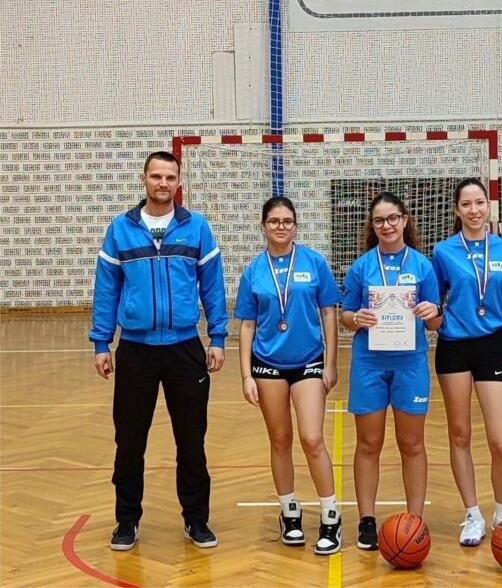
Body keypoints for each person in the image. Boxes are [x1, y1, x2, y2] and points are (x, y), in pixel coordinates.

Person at [89, 151, 228, 551]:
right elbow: (106, 289)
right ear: (144, 179)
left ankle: (196, 520)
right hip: (136, 350)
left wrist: (218, 337)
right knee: (130, 442)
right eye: (156, 176)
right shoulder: (121, 229)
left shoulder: (196, 227)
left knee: (192, 441)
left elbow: (213, 286)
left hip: (185, 349)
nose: (163, 183)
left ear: (178, 182)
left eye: (170, 177)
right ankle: (127, 521)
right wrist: (102, 343)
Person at [235, 197, 342, 556]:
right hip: (267, 364)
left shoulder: (314, 262)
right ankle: (290, 512)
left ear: (296, 226)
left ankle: (330, 515)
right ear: (263, 226)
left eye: (287, 221)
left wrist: (330, 362)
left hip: (309, 361)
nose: (281, 227)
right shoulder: (253, 270)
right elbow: (247, 325)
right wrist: (246, 374)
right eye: (274, 221)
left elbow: (329, 313)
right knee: (279, 439)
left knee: (312, 438)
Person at [340, 192, 441, 550]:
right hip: (369, 362)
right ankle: (367, 520)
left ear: (404, 220)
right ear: (372, 225)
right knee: (369, 443)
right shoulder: (362, 267)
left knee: (411, 443)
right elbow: (345, 315)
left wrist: (432, 312)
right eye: (379, 220)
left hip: (410, 363)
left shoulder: (423, 266)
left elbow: (436, 321)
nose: (387, 225)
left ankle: (415, 520)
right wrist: (357, 318)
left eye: (393, 218)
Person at [430, 178, 502, 546]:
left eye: (479, 202)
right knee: (460, 435)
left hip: (490, 345)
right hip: (453, 346)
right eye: (466, 204)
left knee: (501, 441)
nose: (474, 210)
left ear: (488, 206)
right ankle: (472, 514)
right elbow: (434, 301)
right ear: (457, 210)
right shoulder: (443, 251)